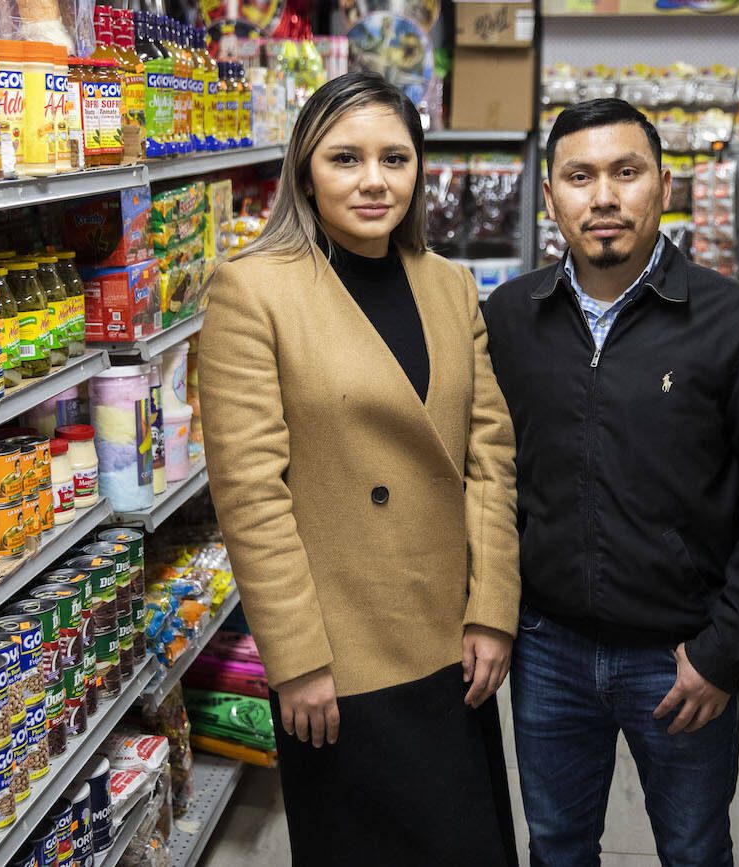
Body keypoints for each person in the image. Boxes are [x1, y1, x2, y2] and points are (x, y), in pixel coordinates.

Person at [483, 98, 739, 867]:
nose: (602, 196)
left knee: (695, 849)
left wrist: (726, 649)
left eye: (625, 172)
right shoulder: (508, 319)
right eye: (579, 176)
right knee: (560, 847)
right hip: (547, 648)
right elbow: (488, 478)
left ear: (662, 187)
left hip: (682, 658)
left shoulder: (737, 325)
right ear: (550, 198)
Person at [197, 72, 521, 866]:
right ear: (305, 170)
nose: (375, 181)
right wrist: (297, 658)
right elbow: (251, 497)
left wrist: (493, 607)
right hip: (340, 655)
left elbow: (490, 455)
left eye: (396, 159)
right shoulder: (254, 291)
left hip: (450, 640)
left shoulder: (448, 285)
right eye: (346, 158)